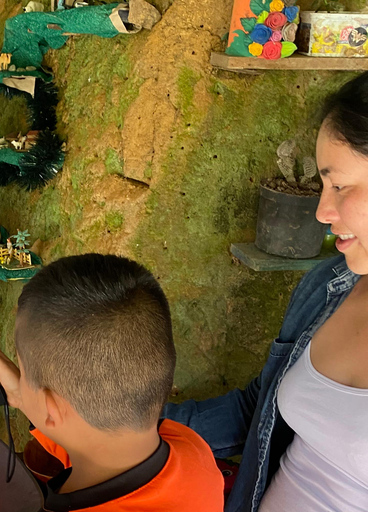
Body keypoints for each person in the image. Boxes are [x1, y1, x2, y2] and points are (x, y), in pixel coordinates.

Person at [164, 72, 368, 512]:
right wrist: (98, 413)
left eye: (340, 185)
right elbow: (258, 412)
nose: (321, 211)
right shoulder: (327, 287)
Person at [0, 254, 224, 511]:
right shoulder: (191, 449)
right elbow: (95, 446)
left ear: (52, 408)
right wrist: (24, 397)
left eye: (23, 369)